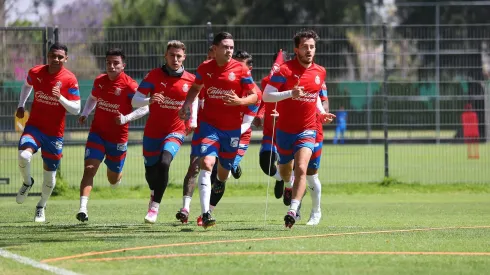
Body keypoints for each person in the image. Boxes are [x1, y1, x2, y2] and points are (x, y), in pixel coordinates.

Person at [179, 32, 258, 228]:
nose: (229, 50)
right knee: (206, 163)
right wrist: (187, 104)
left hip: (231, 130)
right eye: (225, 47)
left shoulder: (240, 70)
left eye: (231, 47)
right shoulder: (205, 68)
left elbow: (255, 95)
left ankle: (221, 181)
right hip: (209, 126)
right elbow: (196, 88)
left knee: (223, 173)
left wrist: (240, 101)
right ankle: (206, 214)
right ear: (215, 49)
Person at [263, 30, 335, 228]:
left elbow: (315, 99)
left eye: (312, 46)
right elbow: (266, 96)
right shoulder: (284, 70)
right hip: (285, 131)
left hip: (308, 129)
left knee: (303, 169)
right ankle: (287, 185)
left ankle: (294, 210)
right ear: (297, 50)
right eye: (305, 46)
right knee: (286, 171)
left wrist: (321, 114)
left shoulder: (320, 71)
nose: (309, 50)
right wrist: (290, 93)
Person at [76, 48, 149, 222]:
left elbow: (145, 107)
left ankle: (118, 174)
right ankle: (82, 209)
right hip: (97, 134)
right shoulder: (100, 80)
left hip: (118, 138)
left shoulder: (130, 85)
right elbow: (93, 98)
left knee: (113, 179)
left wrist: (125, 118)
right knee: (89, 169)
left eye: (116, 63)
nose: (111, 66)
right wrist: (85, 113)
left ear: (123, 65)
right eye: (108, 62)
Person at [132, 40, 196, 224]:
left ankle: (154, 208)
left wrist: (192, 121)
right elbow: (135, 101)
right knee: (151, 174)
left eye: (179, 56)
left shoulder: (191, 80)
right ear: (165, 56)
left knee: (165, 162)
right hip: (153, 133)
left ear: (184, 57)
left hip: (176, 130)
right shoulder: (153, 75)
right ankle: (153, 192)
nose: (175, 59)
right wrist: (149, 100)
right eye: (172, 55)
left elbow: (197, 101)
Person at [15, 42, 81, 222]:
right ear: (48, 56)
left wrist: (59, 97)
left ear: (65, 59)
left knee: (50, 179)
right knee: (24, 156)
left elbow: (76, 108)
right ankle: (27, 182)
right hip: (34, 127)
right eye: (53, 56)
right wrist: (21, 104)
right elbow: (26, 85)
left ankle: (41, 206)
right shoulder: (36, 72)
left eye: (60, 57)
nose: (56, 59)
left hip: (54, 134)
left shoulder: (70, 79)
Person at [208, 49, 262, 213]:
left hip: (239, 136)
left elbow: (247, 123)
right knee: (212, 168)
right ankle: (206, 211)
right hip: (218, 131)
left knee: (222, 173)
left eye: (241, 66)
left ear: (249, 69)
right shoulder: (224, 83)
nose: (236, 68)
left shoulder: (255, 93)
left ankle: (209, 210)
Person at [175, 45, 215, 226]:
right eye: (209, 55)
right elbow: (194, 98)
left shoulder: (230, 77)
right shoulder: (202, 76)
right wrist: (192, 121)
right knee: (195, 167)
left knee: (218, 173)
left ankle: (207, 211)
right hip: (203, 130)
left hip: (224, 131)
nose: (210, 59)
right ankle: (186, 208)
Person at [255, 50, 290, 201]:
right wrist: (260, 115)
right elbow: (264, 101)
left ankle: (294, 203)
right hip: (270, 132)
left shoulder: (293, 85)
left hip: (288, 133)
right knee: (265, 163)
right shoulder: (266, 82)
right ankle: (280, 178)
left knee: (292, 169)